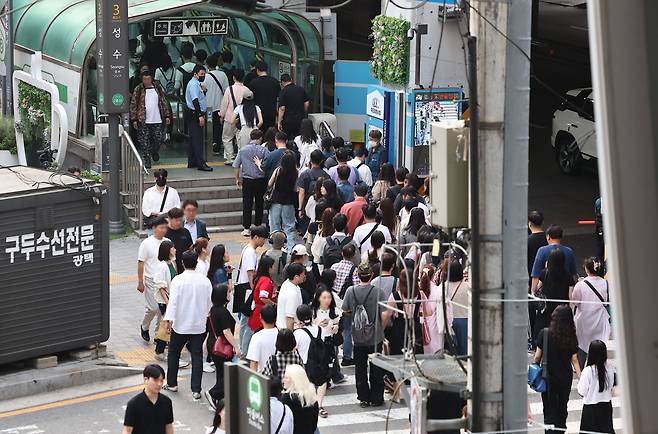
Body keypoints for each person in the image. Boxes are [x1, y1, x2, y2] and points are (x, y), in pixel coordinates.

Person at [163, 251, 213, 400]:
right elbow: (209, 304)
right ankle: (196, 389)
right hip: (198, 324)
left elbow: (173, 303)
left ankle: (172, 383)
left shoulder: (178, 280)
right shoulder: (205, 281)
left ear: (183, 263)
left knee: (174, 352)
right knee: (197, 356)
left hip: (181, 324)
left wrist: (168, 320)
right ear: (196, 263)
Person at [341, 262, 387, 407]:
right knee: (376, 368)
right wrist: (381, 328)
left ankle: (363, 397)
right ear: (372, 275)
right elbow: (385, 314)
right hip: (376, 336)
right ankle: (376, 397)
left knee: (360, 368)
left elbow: (345, 310)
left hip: (358, 335)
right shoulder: (379, 292)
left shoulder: (350, 291)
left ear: (357, 275)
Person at [534, 305, 581, 434]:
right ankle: (561, 428)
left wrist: (534, 367)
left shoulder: (544, 333)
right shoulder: (571, 337)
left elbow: (537, 356)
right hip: (565, 378)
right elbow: (575, 359)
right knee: (562, 406)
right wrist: (580, 377)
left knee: (549, 408)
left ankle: (550, 431)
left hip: (548, 378)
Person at [234, 225, 269, 354]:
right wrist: (255, 290)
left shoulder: (247, 249)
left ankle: (243, 348)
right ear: (255, 237)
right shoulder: (250, 252)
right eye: (262, 239)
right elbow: (250, 273)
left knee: (244, 321)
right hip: (247, 289)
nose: (264, 241)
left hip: (244, 288)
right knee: (246, 321)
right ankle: (244, 350)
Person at [571, 257, 611, 368]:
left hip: (583, 321)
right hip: (600, 321)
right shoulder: (606, 284)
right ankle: (600, 372)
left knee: (582, 348)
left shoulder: (580, 285)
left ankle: (582, 374)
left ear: (586, 269)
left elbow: (575, 302)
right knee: (599, 349)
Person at [205, 284, 239, 409]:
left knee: (221, 373)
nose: (229, 295)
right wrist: (236, 346)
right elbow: (226, 332)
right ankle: (213, 393)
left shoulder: (213, 309)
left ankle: (219, 399)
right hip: (222, 347)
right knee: (228, 375)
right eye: (228, 293)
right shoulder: (222, 312)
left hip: (213, 345)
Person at [311, 286, 346, 407]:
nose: (327, 300)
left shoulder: (334, 311)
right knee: (317, 363)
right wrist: (318, 324)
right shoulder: (313, 310)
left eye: (329, 297)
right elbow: (308, 325)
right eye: (324, 297)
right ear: (318, 298)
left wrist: (336, 327)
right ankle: (320, 382)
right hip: (317, 341)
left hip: (329, 341)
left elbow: (339, 323)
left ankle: (325, 381)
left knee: (327, 363)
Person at [130, 69, 171, 168]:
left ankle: (154, 151)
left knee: (158, 139)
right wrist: (134, 119)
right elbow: (134, 104)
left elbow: (163, 101)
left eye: (148, 79)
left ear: (151, 79)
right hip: (143, 119)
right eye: (144, 80)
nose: (146, 82)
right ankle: (147, 159)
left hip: (157, 119)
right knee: (144, 141)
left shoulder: (157, 88)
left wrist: (167, 115)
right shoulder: (139, 89)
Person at [137, 216, 169, 344]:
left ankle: (158, 335)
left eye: (165, 227)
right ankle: (144, 326)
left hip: (164, 281)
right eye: (161, 227)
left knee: (163, 309)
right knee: (153, 308)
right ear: (154, 228)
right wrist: (140, 282)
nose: (163, 230)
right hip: (151, 280)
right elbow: (140, 262)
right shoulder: (146, 243)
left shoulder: (167, 242)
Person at [533, 248, 576, 343]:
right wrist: (571, 312)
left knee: (545, 334)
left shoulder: (544, 273)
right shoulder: (568, 275)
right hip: (561, 309)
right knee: (560, 334)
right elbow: (570, 296)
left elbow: (538, 289)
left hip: (546, 309)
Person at [383, 267, 429, 355]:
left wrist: (380, 331)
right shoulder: (421, 294)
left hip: (399, 328)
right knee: (416, 356)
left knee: (398, 356)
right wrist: (418, 312)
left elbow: (387, 315)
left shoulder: (395, 296)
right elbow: (429, 312)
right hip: (415, 327)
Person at [233, 129, 269, 235]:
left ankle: (246, 227)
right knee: (259, 202)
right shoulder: (264, 150)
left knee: (247, 203)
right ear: (260, 138)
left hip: (247, 179)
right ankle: (258, 225)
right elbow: (267, 164)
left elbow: (236, 165)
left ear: (251, 137)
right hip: (260, 180)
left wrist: (237, 178)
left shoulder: (243, 150)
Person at [578, 340, 615, 434]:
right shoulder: (610, 368)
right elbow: (611, 385)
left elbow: (582, 391)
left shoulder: (588, 371)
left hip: (591, 408)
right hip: (606, 406)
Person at [122, 364, 173, 434]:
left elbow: (168, 426)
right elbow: (127, 430)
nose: (159, 384)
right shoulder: (134, 404)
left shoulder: (166, 402)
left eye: (161, 380)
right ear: (146, 379)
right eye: (155, 380)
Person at [531, 225, 579, 296]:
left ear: (548, 237)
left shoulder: (542, 251)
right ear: (561, 236)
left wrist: (533, 291)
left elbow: (536, 274)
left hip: (547, 292)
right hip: (564, 292)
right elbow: (574, 274)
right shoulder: (569, 251)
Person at [268, 151, 298, 252]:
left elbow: (270, 183)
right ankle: (290, 249)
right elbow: (295, 189)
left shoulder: (278, 170)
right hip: (288, 202)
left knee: (274, 226)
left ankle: (275, 248)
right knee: (289, 227)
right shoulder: (295, 172)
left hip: (276, 200)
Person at [185, 64, 213, 171]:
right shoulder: (193, 84)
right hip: (195, 114)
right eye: (201, 74)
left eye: (204, 74)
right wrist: (200, 115)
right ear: (195, 74)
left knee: (193, 139)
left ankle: (192, 161)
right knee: (197, 140)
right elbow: (195, 101)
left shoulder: (197, 84)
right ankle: (201, 163)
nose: (203, 76)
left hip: (194, 113)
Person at [152, 240, 176, 361]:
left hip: (170, 300)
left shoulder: (171, 263)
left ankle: (161, 350)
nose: (175, 249)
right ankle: (159, 351)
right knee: (166, 326)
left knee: (166, 325)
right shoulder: (162, 266)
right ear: (167, 250)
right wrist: (168, 302)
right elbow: (160, 286)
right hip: (165, 301)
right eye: (172, 248)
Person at [280, 364, 320, 434]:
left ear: (294, 380)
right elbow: (314, 424)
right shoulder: (312, 397)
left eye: (286, 378)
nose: (283, 380)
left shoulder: (287, 399)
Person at [219, 68, 248, 163]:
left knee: (227, 138)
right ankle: (241, 157)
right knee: (240, 139)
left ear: (233, 77)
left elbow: (224, 104)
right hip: (242, 119)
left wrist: (221, 115)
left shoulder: (229, 89)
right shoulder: (247, 90)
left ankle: (230, 157)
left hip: (229, 118)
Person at [204, 53, 230, 155]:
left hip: (209, 106)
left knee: (210, 125)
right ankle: (217, 145)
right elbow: (226, 90)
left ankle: (210, 144)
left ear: (207, 65)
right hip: (220, 106)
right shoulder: (223, 74)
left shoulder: (205, 77)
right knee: (219, 127)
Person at [297, 149, 328, 224]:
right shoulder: (326, 175)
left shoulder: (304, 174)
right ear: (321, 161)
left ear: (310, 160)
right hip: (322, 206)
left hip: (307, 206)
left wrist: (301, 209)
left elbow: (301, 193)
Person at [446, 260, 469, 356]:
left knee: (451, 350)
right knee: (465, 351)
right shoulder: (468, 286)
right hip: (465, 321)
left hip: (448, 322)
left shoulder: (444, 287)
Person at [247, 255, 276, 334]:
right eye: (273, 266)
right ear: (268, 268)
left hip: (258, 312)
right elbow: (263, 297)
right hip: (262, 313)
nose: (274, 268)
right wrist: (273, 304)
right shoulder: (266, 281)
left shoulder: (260, 278)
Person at [248, 61, 280, 131]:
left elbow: (250, 97)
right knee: (270, 132)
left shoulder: (253, 82)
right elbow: (278, 96)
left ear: (257, 70)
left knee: (258, 133)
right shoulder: (275, 82)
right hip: (271, 112)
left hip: (258, 112)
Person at [247, 304, 279, 372]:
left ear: (260, 317)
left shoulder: (256, 337)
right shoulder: (281, 334)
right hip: (279, 377)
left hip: (263, 378)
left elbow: (254, 363)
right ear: (276, 318)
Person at [278, 73, 310, 138]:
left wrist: (279, 121)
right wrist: (303, 112)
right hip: (300, 119)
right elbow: (306, 103)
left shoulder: (283, 91)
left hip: (288, 120)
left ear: (282, 82)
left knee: (287, 138)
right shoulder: (301, 89)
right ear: (291, 80)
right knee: (299, 138)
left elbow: (282, 108)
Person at [276, 263, 306, 329]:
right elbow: (289, 318)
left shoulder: (288, 283)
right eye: (303, 274)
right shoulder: (292, 294)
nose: (304, 276)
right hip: (287, 329)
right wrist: (290, 337)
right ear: (296, 277)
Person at [165, 207, 193, 273]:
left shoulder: (185, 232)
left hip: (185, 268)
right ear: (169, 219)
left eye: (180, 220)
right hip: (169, 268)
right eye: (176, 220)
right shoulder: (164, 233)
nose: (179, 222)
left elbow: (190, 248)